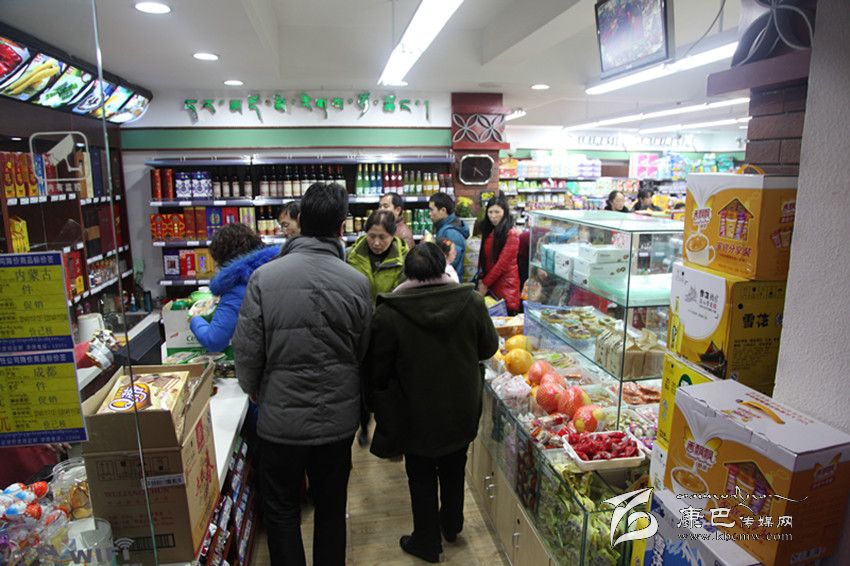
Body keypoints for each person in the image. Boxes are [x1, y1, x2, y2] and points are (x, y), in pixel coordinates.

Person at [233, 182, 372, 566]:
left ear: (301, 220)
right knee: (331, 509)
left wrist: (255, 388)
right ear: (341, 227)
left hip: (280, 421)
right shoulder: (357, 283)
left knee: (281, 510)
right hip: (337, 419)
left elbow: (246, 350)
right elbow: (362, 350)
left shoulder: (264, 278)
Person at [364, 243, 499, 563]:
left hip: (414, 411)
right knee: (454, 465)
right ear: (442, 267)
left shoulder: (390, 313)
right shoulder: (471, 301)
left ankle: (426, 541)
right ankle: (451, 525)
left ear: (407, 272)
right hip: (461, 406)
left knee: (421, 474)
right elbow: (488, 347)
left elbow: (378, 370)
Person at [190, 223, 278, 352]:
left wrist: (194, 320)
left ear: (223, 259)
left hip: (263, 358)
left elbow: (214, 341)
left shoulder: (237, 289)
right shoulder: (277, 268)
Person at [347, 210, 408, 304]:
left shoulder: (405, 261)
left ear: (393, 235)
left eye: (382, 237)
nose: (376, 243)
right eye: (372, 236)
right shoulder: (350, 255)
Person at [476, 196, 521, 313]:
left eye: (497, 212)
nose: (493, 216)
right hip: (492, 286)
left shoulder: (511, 234)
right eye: (490, 212)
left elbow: (502, 265)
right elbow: (486, 259)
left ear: (504, 212)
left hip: (505, 288)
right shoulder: (491, 231)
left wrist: (485, 283)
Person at [429, 192, 469, 281]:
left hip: (450, 282)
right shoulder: (443, 228)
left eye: (432, 210)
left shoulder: (451, 233)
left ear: (443, 210)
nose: (429, 213)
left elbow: (452, 261)